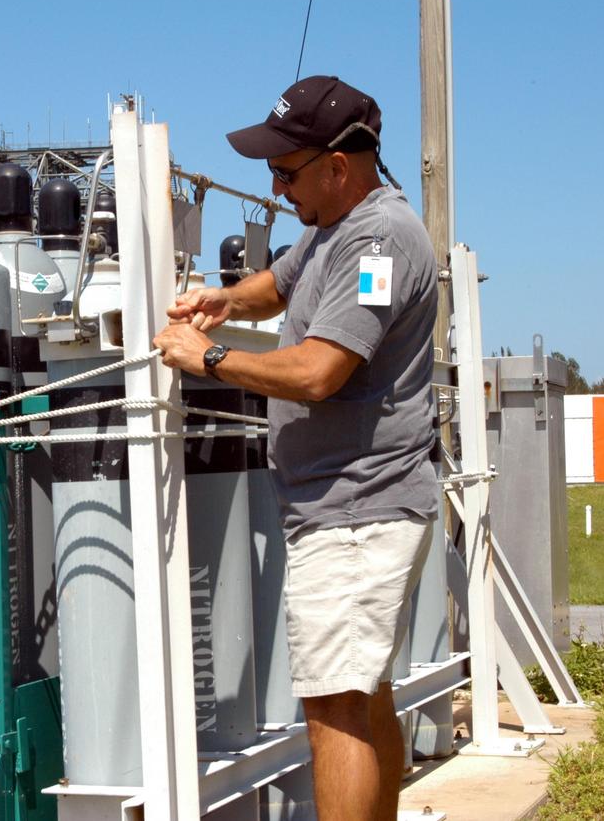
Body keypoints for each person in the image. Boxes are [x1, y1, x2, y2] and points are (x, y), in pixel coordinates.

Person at [153, 75, 439, 821]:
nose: (277, 189)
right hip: (337, 507)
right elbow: (280, 283)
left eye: (286, 172)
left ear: (339, 166)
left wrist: (207, 359)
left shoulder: (379, 242)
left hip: (357, 511)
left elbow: (317, 371)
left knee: (333, 708)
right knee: (360, 692)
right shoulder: (330, 226)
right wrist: (224, 302)